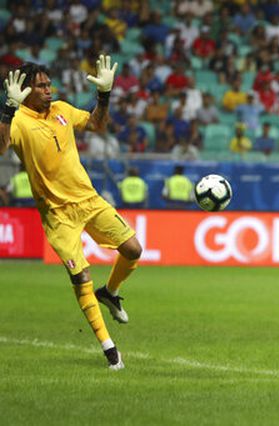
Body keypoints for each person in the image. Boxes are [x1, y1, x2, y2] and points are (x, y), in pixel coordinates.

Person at [0, 58, 143, 370]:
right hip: (57, 214)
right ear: (25, 90)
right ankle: (110, 350)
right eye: (41, 86)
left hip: (88, 200)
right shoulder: (20, 122)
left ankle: (112, 292)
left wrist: (104, 95)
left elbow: (97, 125)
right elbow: (0, 148)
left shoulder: (62, 109)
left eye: (49, 84)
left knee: (133, 249)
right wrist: (8, 109)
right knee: (81, 277)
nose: (49, 90)